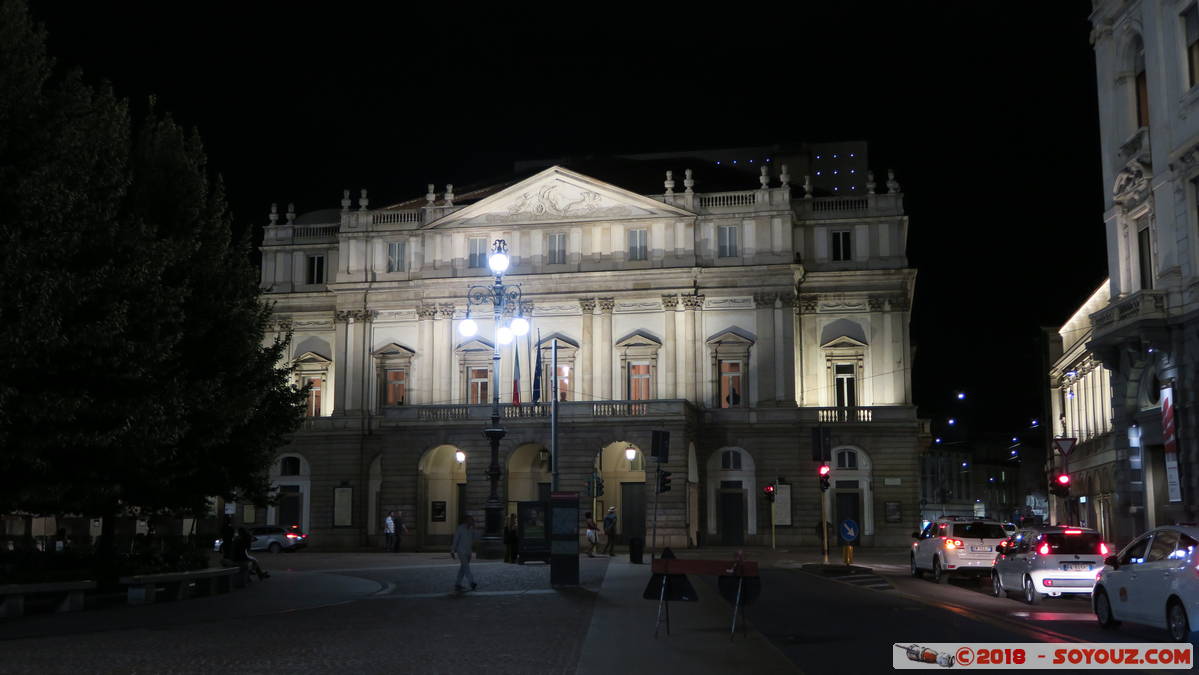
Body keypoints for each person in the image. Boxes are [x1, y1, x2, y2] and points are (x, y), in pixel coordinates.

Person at [451, 515, 477, 592]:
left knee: (463, 568)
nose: (472, 522)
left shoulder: (471, 529)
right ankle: (472, 582)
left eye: (472, 520)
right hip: (461, 551)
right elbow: (455, 540)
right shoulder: (460, 528)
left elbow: (473, 539)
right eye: (471, 520)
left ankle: (457, 583)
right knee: (466, 567)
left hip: (468, 552)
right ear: (466, 521)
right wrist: (452, 550)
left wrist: (474, 529)